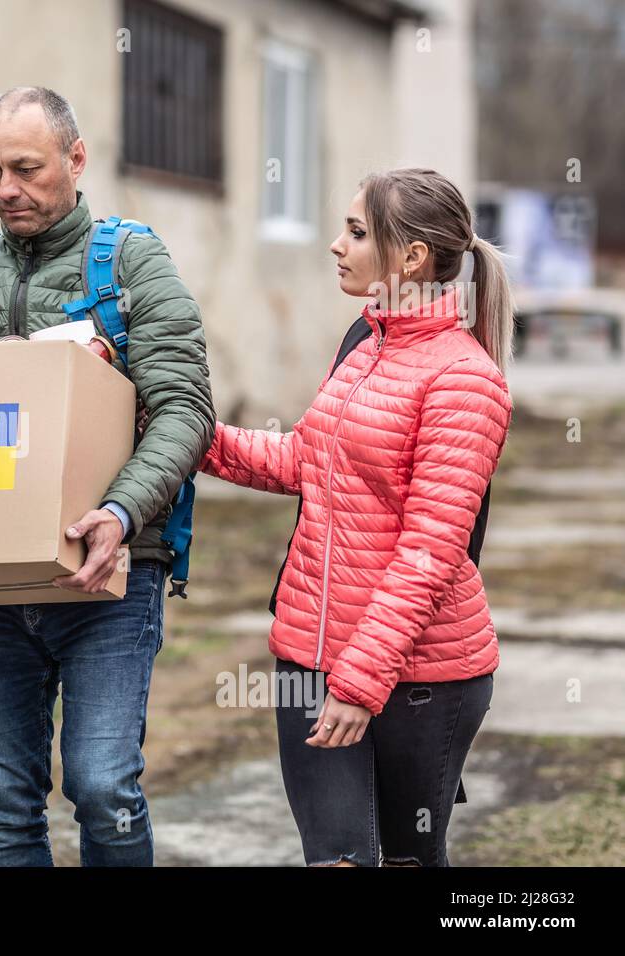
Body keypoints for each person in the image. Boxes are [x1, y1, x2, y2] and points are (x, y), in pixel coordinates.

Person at [0, 87, 216, 866]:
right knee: (5, 797)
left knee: (102, 782)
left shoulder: (130, 261)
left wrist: (118, 514)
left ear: (76, 160)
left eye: (25, 168)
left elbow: (185, 409)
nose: (6, 189)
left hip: (109, 574)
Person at [199, 168, 514, 867]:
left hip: (423, 680)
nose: (337, 246)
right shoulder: (363, 348)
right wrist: (197, 438)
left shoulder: (465, 379)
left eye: (357, 232)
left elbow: (430, 552)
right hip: (308, 661)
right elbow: (303, 462)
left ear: (411, 258)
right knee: (335, 860)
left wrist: (361, 684)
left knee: (408, 859)